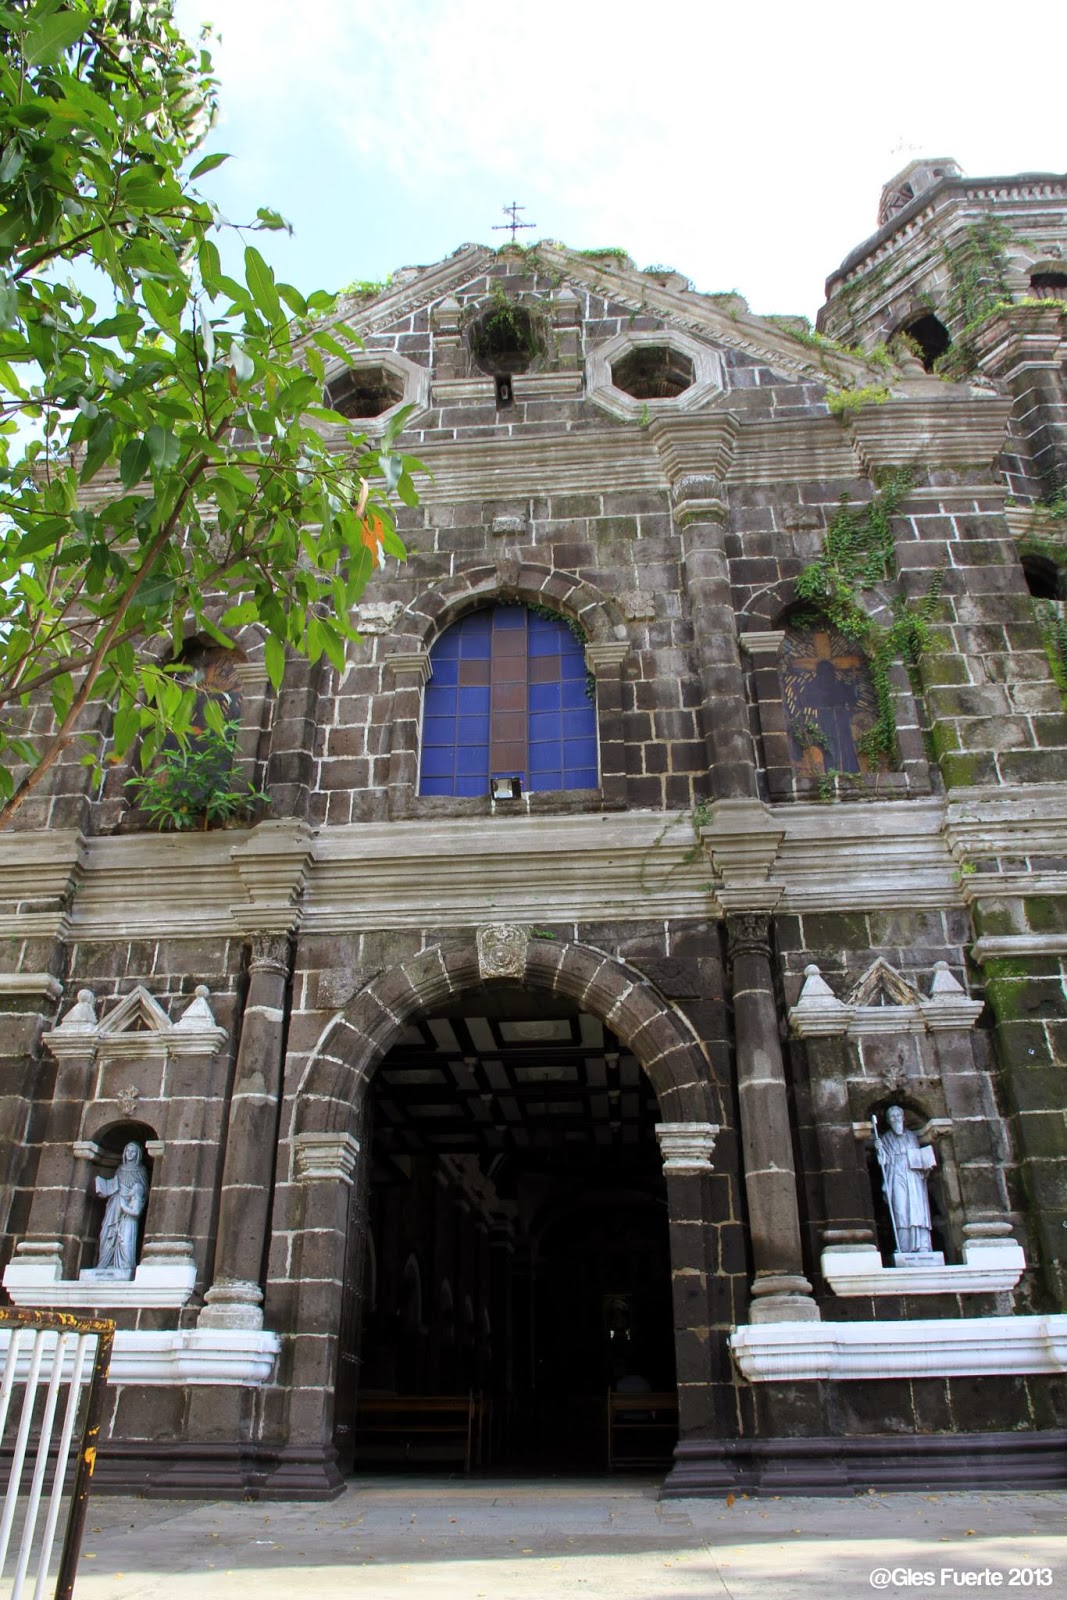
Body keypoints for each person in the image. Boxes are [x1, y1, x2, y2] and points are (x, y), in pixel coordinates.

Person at [873, 1105, 935, 1255]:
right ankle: (904, 1247)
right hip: (895, 1173)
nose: (896, 1119)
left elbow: (918, 1157)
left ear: (903, 1117)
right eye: (892, 1117)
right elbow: (883, 1162)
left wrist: (925, 1164)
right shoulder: (885, 1138)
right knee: (901, 1210)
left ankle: (923, 1245)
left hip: (913, 1175)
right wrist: (879, 1149)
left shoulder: (912, 1136)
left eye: (898, 1116)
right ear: (888, 1120)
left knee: (917, 1209)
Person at [94, 1141, 149, 1277]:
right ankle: (105, 1263)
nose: (130, 1154)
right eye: (128, 1150)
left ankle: (124, 1265)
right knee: (107, 1235)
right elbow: (114, 1185)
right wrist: (106, 1189)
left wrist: (130, 1201)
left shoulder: (141, 1170)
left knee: (125, 1239)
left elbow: (142, 1192)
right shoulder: (119, 1169)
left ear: (138, 1154)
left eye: (133, 1151)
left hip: (128, 1210)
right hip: (114, 1206)